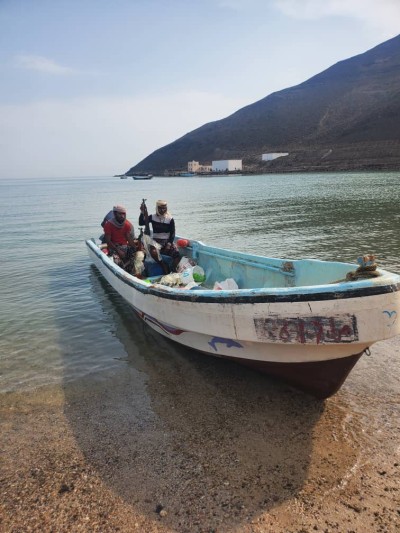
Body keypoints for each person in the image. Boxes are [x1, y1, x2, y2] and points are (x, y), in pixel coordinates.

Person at [139, 199, 180, 273]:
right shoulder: (153, 217)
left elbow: (173, 233)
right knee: (153, 251)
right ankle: (162, 265)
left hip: (167, 241)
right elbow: (141, 222)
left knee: (177, 254)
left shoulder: (170, 219)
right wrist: (142, 212)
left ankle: (173, 269)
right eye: (160, 208)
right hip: (156, 241)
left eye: (164, 208)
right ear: (157, 208)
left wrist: (169, 244)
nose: (162, 210)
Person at [104, 205, 145, 277]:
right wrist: (118, 251)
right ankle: (123, 273)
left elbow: (129, 239)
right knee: (117, 262)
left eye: (123, 214)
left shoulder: (127, 225)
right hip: (114, 248)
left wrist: (137, 248)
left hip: (124, 247)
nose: (122, 216)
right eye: (120, 214)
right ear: (114, 214)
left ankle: (133, 274)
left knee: (138, 256)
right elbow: (108, 241)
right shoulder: (108, 225)